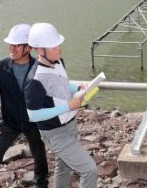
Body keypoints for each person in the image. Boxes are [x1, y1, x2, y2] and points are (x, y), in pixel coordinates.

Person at [24, 23, 98, 188]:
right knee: (89, 170)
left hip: (70, 125)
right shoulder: (34, 80)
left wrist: (76, 87)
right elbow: (33, 115)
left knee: (63, 166)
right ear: (39, 50)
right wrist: (68, 107)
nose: (59, 48)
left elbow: (61, 83)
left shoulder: (58, 61)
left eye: (58, 44)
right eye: (53, 46)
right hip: (54, 132)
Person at [0, 24, 49, 188]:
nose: (11, 48)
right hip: (9, 122)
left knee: (39, 155)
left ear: (29, 47)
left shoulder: (40, 67)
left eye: (17, 45)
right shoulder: (0, 67)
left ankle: (41, 184)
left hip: (33, 122)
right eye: (10, 44)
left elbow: (48, 96)